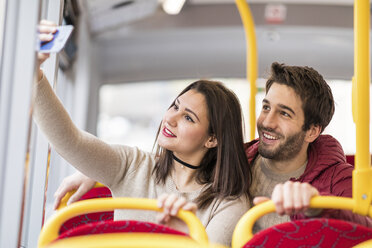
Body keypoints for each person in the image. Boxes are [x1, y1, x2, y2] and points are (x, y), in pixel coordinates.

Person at [57, 61, 372, 233]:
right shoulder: (239, 160)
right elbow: (182, 158)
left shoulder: (338, 178)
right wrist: (98, 171)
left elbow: (365, 227)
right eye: (266, 107)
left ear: (312, 131)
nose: (267, 122)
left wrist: (318, 207)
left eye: (284, 114)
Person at [35, 21, 252, 246]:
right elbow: (71, 142)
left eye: (188, 117)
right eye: (175, 106)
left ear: (212, 139)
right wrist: (35, 74)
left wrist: (185, 235)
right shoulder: (134, 165)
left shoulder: (228, 203)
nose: (170, 118)